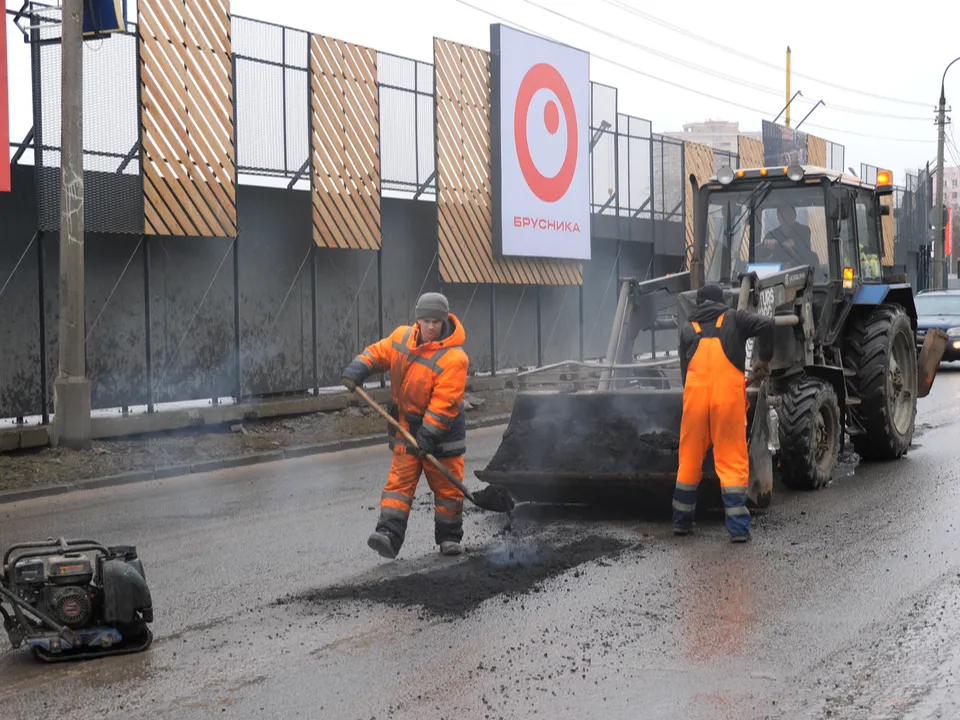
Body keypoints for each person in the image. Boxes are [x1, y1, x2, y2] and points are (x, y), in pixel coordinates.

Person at [340, 292, 470, 559]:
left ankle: (448, 538)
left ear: (444, 320)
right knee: (398, 485)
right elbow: (378, 353)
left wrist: (428, 435)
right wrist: (358, 368)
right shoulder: (401, 338)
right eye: (426, 320)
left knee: (447, 490)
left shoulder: (454, 358)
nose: (431, 326)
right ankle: (388, 535)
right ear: (417, 320)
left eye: (436, 321)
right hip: (406, 428)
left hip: (442, 433)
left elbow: (445, 403)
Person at [672, 283, 775, 543]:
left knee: (688, 462)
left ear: (699, 302)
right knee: (730, 463)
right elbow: (767, 325)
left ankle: (681, 524)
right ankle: (738, 530)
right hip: (726, 402)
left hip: (694, 402)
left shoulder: (687, 328)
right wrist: (764, 359)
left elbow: (686, 374)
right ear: (721, 301)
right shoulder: (734, 319)